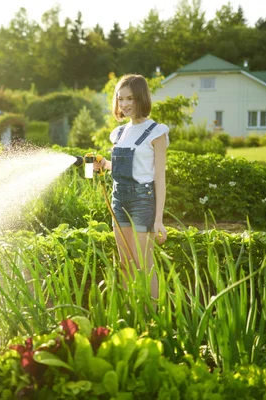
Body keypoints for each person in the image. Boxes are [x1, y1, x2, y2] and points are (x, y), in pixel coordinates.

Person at [94, 74, 168, 299]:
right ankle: (132, 314)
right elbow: (120, 165)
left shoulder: (156, 132)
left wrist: (158, 220)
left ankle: (152, 318)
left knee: (144, 265)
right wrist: (103, 164)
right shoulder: (119, 133)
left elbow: (159, 179)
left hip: (142, 200)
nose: (124, 104)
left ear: (141, 99)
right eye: (120, 99)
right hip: (119, 199)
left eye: (130, 99)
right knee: (125, 264)